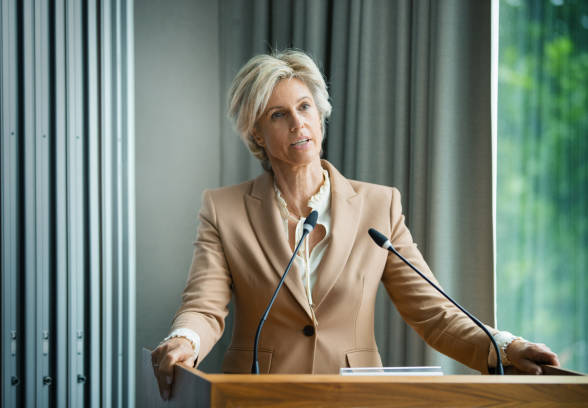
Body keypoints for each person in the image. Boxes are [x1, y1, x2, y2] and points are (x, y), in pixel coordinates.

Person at [151, 49, 559, 400]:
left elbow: (433, 312)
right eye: (279, 114)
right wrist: (183, 339)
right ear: (256, 132)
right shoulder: (224, 209)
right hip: (258, 396)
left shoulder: (379, 205)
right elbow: (203, 306)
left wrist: (504, 347)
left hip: (357, 398)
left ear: (321, 113)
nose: (298, 123)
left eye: (305, 106)